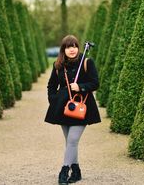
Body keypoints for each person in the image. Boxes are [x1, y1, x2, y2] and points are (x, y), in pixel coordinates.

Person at [45, 35, 101, 184]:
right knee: (70, 142)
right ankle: (76, 171)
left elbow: (95, 83)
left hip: (82, 106)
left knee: (73, 139)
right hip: (63, 107)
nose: (72, 49)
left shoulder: (87, 62)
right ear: (64, 49)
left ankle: (64, 171)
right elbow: (51, 86)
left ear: (78, 47)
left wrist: (81, 87)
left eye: (75, 46)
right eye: (69, 47)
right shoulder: (58, 66)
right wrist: (54, 101)